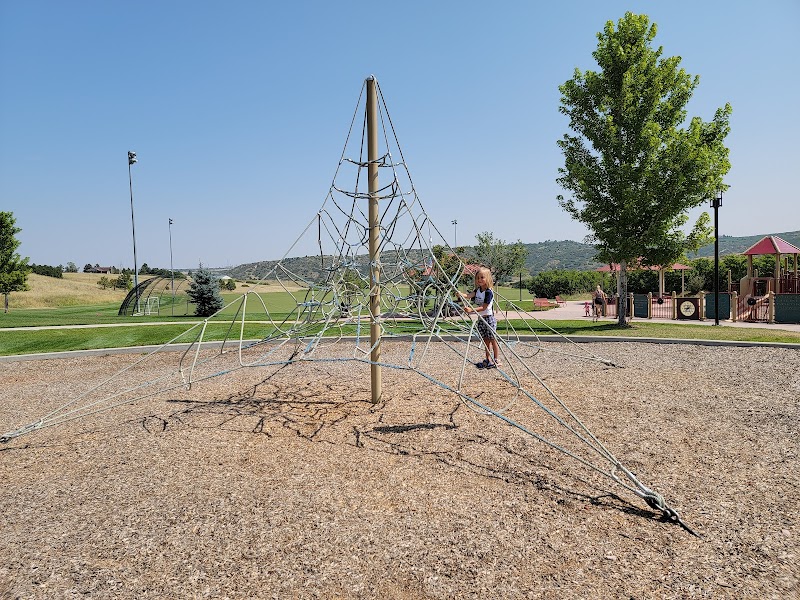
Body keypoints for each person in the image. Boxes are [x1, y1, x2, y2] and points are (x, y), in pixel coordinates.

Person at [460, 267, 501, 369]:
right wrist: (460, 294)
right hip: (481, 320)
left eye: (482, 277)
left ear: (487, 279)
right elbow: (468, 295)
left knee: (493, 340)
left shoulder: (488, 292)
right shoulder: (478, 290)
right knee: (486, 341)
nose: (479, 280)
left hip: (489, 319)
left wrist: (471, 310)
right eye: (478, 278)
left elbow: (484, 307)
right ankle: (488, 359)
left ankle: (497, 359)